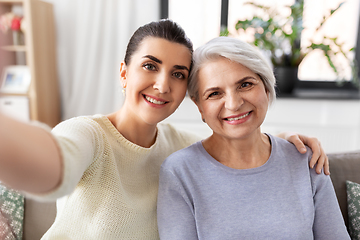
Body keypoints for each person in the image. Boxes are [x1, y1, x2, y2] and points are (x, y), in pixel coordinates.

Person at [0, 20, 328, 240]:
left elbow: (235, 142)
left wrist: (283, 141)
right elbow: (54, 166)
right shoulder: (88, 135)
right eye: (150, 66)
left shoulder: (178, 147)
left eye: (178, 73)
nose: (162, 84)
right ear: (124, 73)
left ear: (188, 89)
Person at [157, 37, 349, 239]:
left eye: (245, 85)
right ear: (199, 106)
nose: (233, 104)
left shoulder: (306, 160)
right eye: (214, 93)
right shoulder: (179, 172)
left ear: (266, 88)